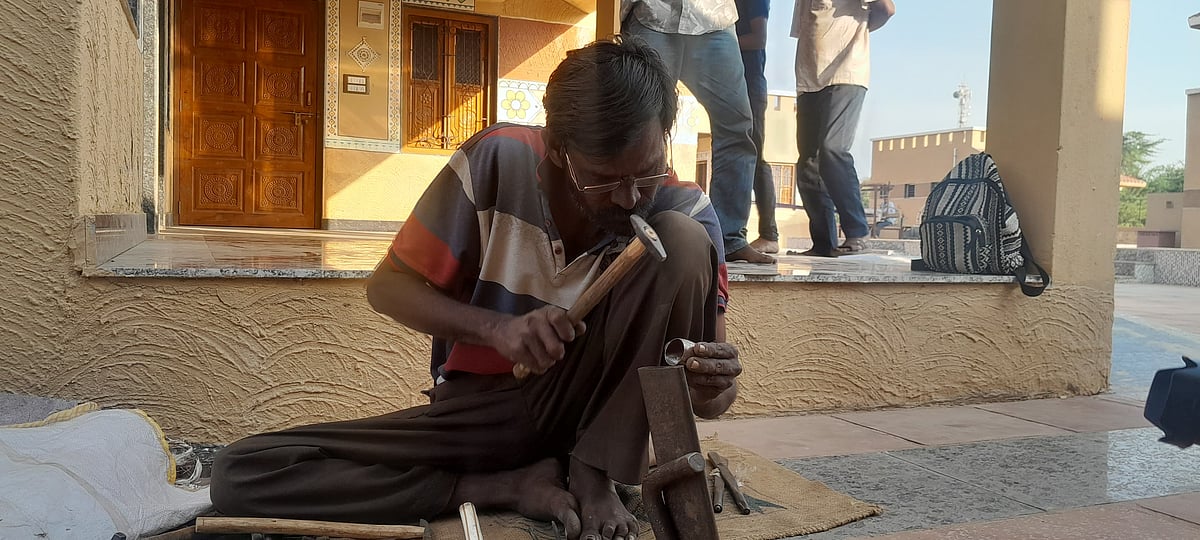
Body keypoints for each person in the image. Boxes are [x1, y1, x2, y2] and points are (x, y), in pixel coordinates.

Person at [210, 38, 743, 540]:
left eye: (647, 172)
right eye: (603, 180)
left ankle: (592, 470)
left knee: (682, 238)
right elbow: (387, 288)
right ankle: (505, 485)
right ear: (559, 149)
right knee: (241, 473)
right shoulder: (499, 159)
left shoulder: (684, 208)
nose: (630, 199)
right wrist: (498, 330)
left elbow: (715, 403)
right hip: (488, 411)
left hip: (598, 417)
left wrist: (709, 383)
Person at [623, 0, 775, 264]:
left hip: (713, 17)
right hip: (653, 12)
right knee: (638, 125)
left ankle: (729, 238)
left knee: (737, 127)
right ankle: (630, 232)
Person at [792, 0, 895, 257]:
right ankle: (824, 242)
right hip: (809, 79)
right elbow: (808, 28)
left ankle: (857, 232)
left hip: (846, 71)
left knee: (833, 148)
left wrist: (862, 30)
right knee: (808, 164)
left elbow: (887, 8)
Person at [736, 0, 780, 255]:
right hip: (732, 84)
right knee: (729, 152)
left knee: (753, 155)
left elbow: (758, 38)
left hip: (750, 85)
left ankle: (768, 234)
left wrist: (721, 41)